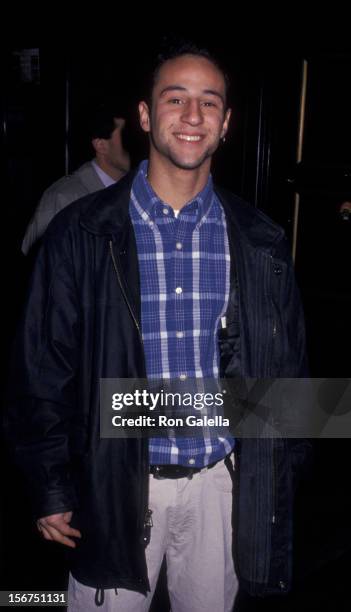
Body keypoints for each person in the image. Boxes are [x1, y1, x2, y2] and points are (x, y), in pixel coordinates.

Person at [6, 41, 309, 612]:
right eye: (176, 99)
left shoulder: (262, 240)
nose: (193, 116)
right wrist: (51, 485)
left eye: (209, 102)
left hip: (222, 488)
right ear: (145, 116)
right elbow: (41, 371)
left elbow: (287, 379)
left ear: (225, 124)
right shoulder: (81, 233)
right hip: (114, 485)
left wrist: (275, 482)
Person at [21, 104, 131, 255]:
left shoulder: (138, 193)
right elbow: (40, 269)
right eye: (126, 137)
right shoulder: (63, 198)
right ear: (101, 145)